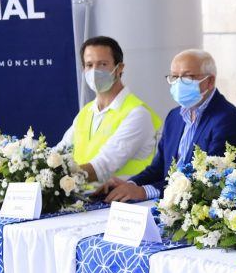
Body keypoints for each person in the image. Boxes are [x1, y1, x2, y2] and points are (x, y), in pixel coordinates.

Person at [100, 49, 236, 203]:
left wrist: (145, 191)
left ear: (210, 81)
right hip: (165, 204)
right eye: (174, 77)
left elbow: (208, 182)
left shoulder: (228, 119)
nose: (178, 83)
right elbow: (158, 169)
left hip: (199, 210)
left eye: (187, 77)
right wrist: (129, 184)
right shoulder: (175, 116)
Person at [55, 36, 161, 182]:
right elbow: (59, 153)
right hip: (84, 200)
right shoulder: (85, 113)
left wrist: (55, 178)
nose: (95, 71)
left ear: (119, 68)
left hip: (123, 201)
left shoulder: (137, 114)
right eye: (89, 65)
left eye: (103, 64)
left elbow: (103, 166)